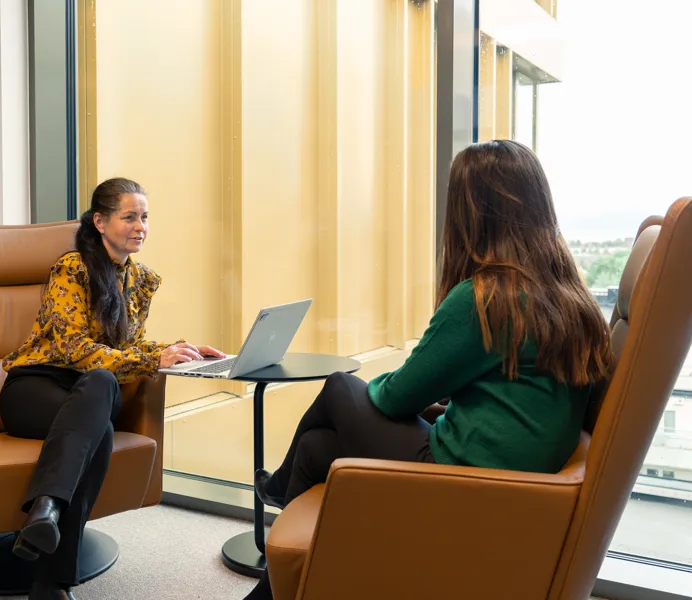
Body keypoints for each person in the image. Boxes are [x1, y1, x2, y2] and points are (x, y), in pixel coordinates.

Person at [244, 140, 613, 599]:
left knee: (341, 387)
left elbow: (397, 397)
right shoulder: (569, 298)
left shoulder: (485, 298)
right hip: (516, 482)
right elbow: (510, 398)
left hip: (463, 476)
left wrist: (386, 392)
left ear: (470, 213)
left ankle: (277, 488)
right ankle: (274, 588)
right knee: (318, 448)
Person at [0, 177, 224, 600]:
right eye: (129, 217)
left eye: (145, 217)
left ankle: (46, 520)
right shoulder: (73, 268)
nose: (140, 226)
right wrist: (150, 360)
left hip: (91, 396)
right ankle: (52, 576)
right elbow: (72, 349)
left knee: (99, 412)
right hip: (35, 389)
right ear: (100, 222)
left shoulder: (141, 280)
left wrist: (177, 350)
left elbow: (130, 348)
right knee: (99, 407)